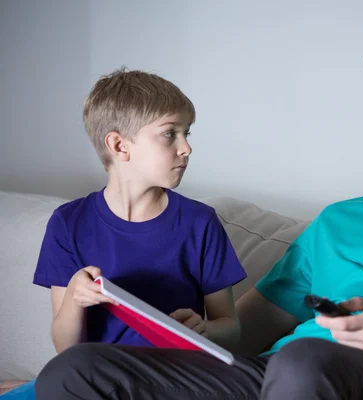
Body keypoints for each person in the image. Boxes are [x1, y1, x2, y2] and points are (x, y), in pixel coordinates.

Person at [34, 18, 363, 400]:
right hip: (274, 377)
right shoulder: (338, 220)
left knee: (303, 362)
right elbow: (244, 332)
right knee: (77, 372)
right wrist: (190, 329)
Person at [25, 70, 246, 398]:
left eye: (187, 133)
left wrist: (204, 330)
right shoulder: (68, 223)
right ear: (119, 145)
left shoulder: (200, 223)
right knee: (58, 376)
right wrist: (75, 298)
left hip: (180, 376)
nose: (186, 148)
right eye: (170, 133)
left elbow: (230, 327)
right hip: (100, 375)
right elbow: (65, 347)